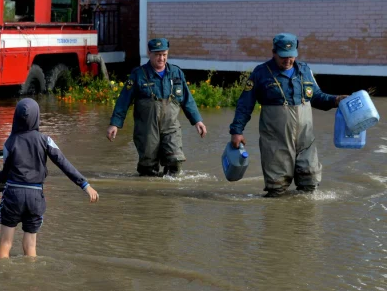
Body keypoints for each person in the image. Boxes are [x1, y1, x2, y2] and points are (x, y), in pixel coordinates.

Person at [229, 33, 347, 197]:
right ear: (273, 52)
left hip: (305, 139)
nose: (287, 60)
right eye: (283, 56)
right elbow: (244, 105)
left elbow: (317, 97)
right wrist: (237, 131)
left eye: (291, 56)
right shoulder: (261, 73)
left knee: (310, 184)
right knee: (276, 188)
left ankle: (301, 222)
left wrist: (336, 100)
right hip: (276, 141)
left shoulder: (305, 70)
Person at [0, 98, 99, 259]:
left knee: (5, 243)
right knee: (30, 245)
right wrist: (85, 185)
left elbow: (4, 175)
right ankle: (31, 280)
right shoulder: (46, 141)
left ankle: (4, 279)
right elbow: (64, 164)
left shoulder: (10, 142)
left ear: (15, 117)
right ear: (37, 117)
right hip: (35, 196)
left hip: (14, 195)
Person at [107, 38, 207, 177]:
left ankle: (169, 192)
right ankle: (149, 193)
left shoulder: (176, 73)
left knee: (175, 161)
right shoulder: (138, 75)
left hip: (170, 127)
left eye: (164, 54)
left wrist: (197, 121)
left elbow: (187, 100)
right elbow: (123, 101)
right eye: (158, 55)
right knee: (148, 167)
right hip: (147, 129)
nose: (161, 58)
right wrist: (115, 124)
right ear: (149, 53)